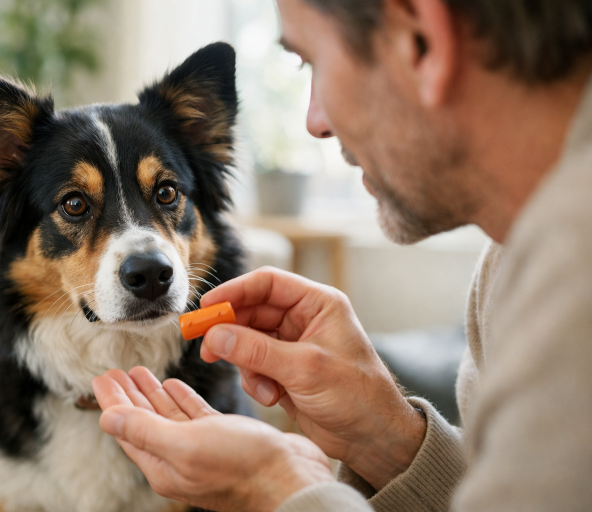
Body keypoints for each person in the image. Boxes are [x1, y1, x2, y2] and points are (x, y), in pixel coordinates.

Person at [92, 0, 592, 510]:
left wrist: (281, 488)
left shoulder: (576, 269)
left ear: (420, 39)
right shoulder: (513, 253)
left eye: (313, 60)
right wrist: (389, 437)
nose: (315, 122)